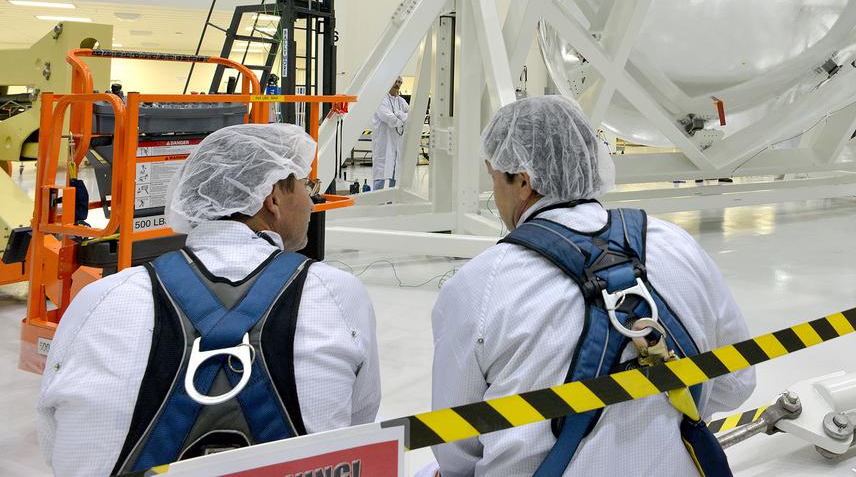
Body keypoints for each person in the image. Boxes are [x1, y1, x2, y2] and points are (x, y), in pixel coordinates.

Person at [431, 96, 754, 476]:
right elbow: (736, 383)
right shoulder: (675, 244)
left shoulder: (478, 286)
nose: (494, 195)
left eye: (494, 178)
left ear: (523, 182)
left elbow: (456, 450)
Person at [37, 124, 381, 476]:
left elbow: (54, 438)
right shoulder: (335, 294)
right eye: (308, 186)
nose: (311, 201)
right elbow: (356, 430)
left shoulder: (100, 299)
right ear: (273, 198)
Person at [371, 76, 409, 190]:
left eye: (400, 82)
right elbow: (387, 117)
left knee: (395, 171)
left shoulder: (401, 101)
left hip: (397, 142)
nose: (397, 84)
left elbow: (410, 115)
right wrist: (401, 120)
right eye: (396, 81)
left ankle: (392, 198)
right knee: (380, 172)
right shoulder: (381, 99)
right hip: (383, 141)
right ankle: (377, 198)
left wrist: (399, 114)